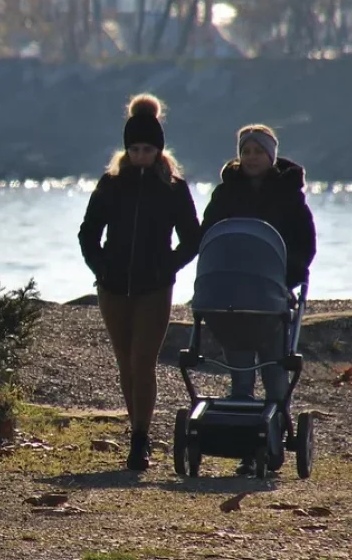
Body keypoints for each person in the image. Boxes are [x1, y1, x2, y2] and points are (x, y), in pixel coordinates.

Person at [78, 93, 202, 471]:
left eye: (147, 148)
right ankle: (137, 431)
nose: (140, 154)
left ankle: (140, 440)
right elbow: (88, 234)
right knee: (125, 364)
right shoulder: (111, 183)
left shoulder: (174, 187)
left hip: (154, 288)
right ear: (126, 149)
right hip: (113, 287)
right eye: (134, 148)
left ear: (159, 150)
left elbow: (193, 237)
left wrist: (169, 267)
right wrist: (100, 266)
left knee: (143, 361)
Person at [199, 123, 316, 475]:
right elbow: (210, 235)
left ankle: (276, 432)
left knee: (275, 373)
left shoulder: (289, 197)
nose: (251, 158)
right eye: (246, 152)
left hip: (273, 293)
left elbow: (304, 244)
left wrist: (289, 272)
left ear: (271, 155)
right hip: (233, 295)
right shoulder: (225, 194)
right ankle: (247, 447)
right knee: (241, 377)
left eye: (258, 152)